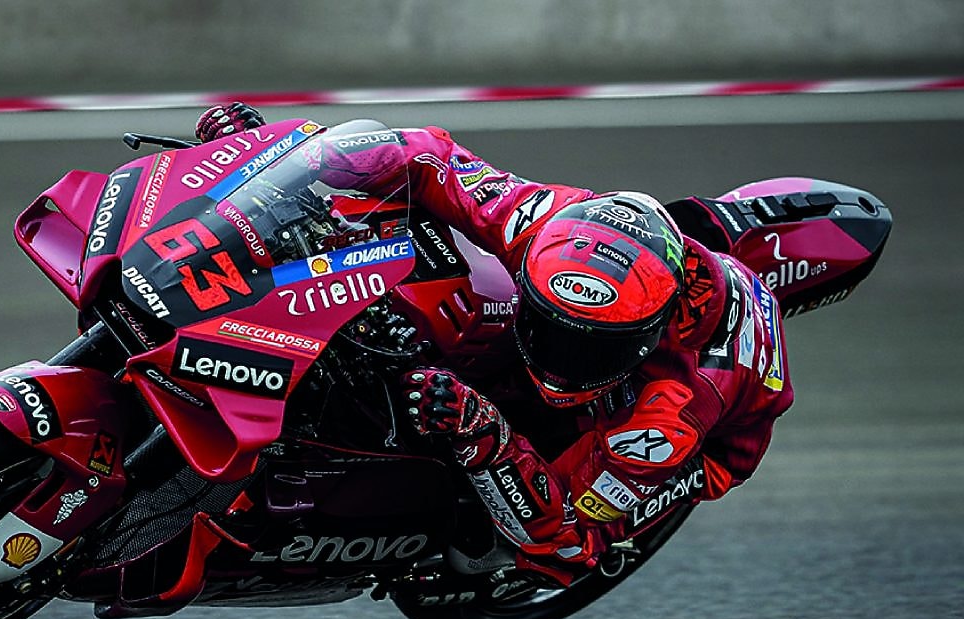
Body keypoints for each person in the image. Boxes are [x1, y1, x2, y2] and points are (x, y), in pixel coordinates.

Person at [194, 103, 795, 586]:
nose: (559, 361)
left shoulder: (674, 415)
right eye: (548, 328)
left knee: (518, 541)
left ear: (645, 338)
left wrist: (488, 438)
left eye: (588, 350)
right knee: (437, 284)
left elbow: (568, 545)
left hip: (705, 442)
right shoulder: (540, 222)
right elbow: (425, 155)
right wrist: (277, 158)